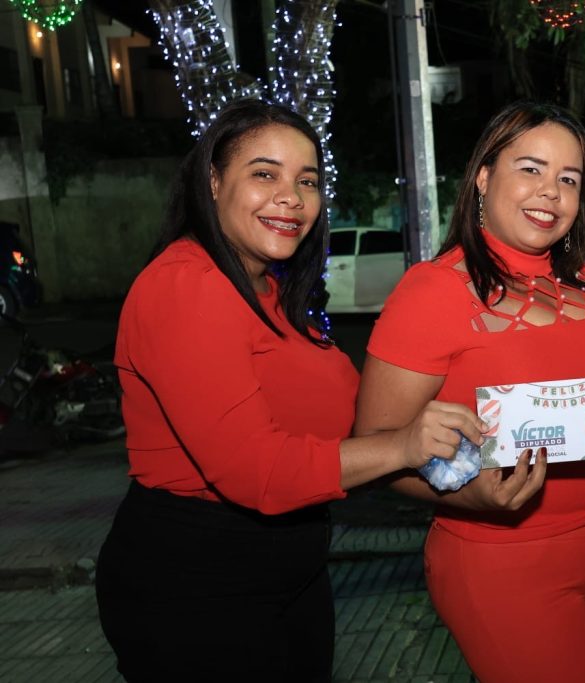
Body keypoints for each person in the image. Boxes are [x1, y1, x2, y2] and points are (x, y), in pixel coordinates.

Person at [94, 100, 484, 682]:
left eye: (308, 181)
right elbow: (257, 471)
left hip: (289, 573)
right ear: (213, 181)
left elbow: (354, 424)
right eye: (264, 174)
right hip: (198, 586)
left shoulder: (271, 295)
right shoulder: (186, 286)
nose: (292, 197)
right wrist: (404, 445)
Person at [355, 102, 585, 683]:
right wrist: (470, 495)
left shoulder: (584, 284)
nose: (550, 191)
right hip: (502, 564)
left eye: (568, 179)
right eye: (531, 169)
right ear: (483, 176)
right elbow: (376, 449)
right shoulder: (431, 292)